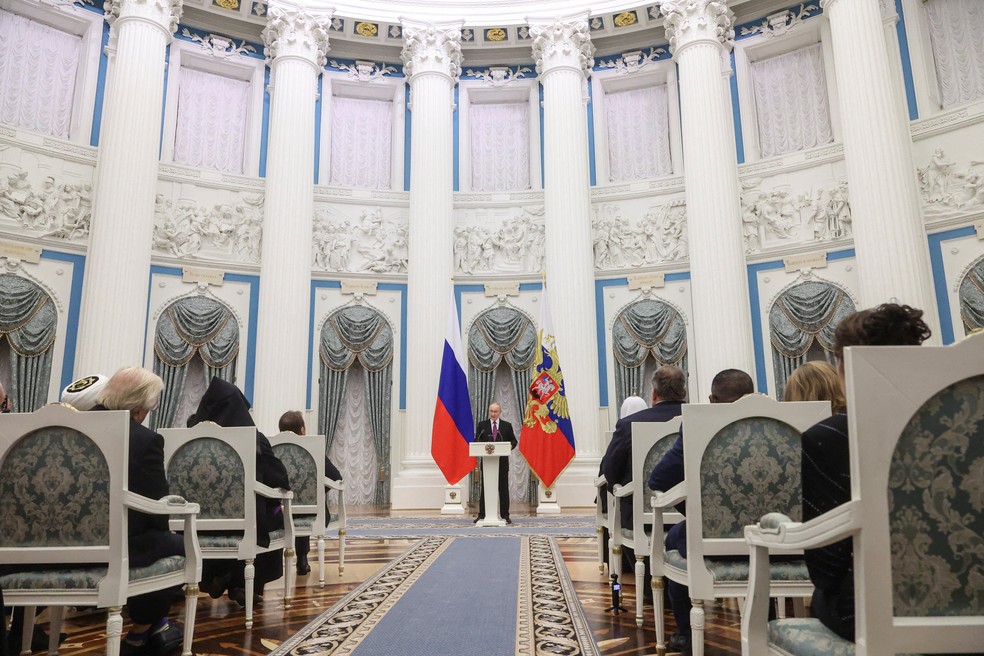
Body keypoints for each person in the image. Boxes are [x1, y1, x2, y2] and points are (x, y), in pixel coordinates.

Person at [802, 304, 930, 642]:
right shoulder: (960, 426)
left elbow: (826, 570)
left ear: (844, 367)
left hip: (870, 611)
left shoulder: (830, 437)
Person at [647, 368, 755, 654]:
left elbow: (658, 480)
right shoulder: (784, 422)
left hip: (709, 533)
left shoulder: (697, 425)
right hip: (774, 534)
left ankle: (685, 632)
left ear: (711, 399)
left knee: (674, 540)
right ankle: (764, 624)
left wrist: (703, 512)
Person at [98, 368, 185, 655]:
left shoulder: (71, 428)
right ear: (138, 409)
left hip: (53, 549)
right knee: (179, 544)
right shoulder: (145, 440)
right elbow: (157, 511)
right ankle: (142, 630)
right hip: (119, 546)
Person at [188, 378, 291, 607]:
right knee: (270, 513)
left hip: (194, 525)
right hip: (246, 525)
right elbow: (280, 479)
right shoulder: (254, 439)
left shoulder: (186, 441)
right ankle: (244, 584)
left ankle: (212, 575)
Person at [601, 366, 687, 531]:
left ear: (654, 393)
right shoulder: (699, 421)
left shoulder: (628, 425)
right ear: (683, 391)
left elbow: (611, 473)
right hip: (692, 517)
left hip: (637, 520)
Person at [277, 411, 343, 576]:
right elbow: (336, 477)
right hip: (314, 512)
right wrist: (313, 494)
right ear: (302, 430)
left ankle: (297, 559)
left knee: (295, 510)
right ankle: (302, 559)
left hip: (280, 512)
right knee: (306, 508)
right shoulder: (313, 450)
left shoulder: (272, 449)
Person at [473, 402, 517, 525]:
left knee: (503, 490)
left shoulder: (506, 426)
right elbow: (477, 440)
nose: (493, 413)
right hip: (487, 464)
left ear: (500, 412)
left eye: (495, 411)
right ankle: (482, 514)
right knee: (485, 489)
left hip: (502, 463)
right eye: (491, 411)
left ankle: (505, 515)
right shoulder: (482, 425)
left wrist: (510, 445)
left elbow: (514, 440)